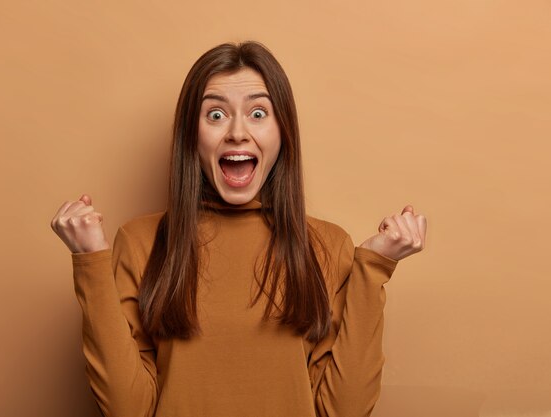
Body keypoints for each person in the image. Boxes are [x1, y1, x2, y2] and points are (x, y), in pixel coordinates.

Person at [51, 41, 427, 417]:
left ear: (283, 132)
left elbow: (344, 411)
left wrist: (374, 268)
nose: (236, 133)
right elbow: (127, 409)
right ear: (190, 135)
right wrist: (90, 262)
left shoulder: (328, 245)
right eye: (215, 115)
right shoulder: (140, 242)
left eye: (258, 113)